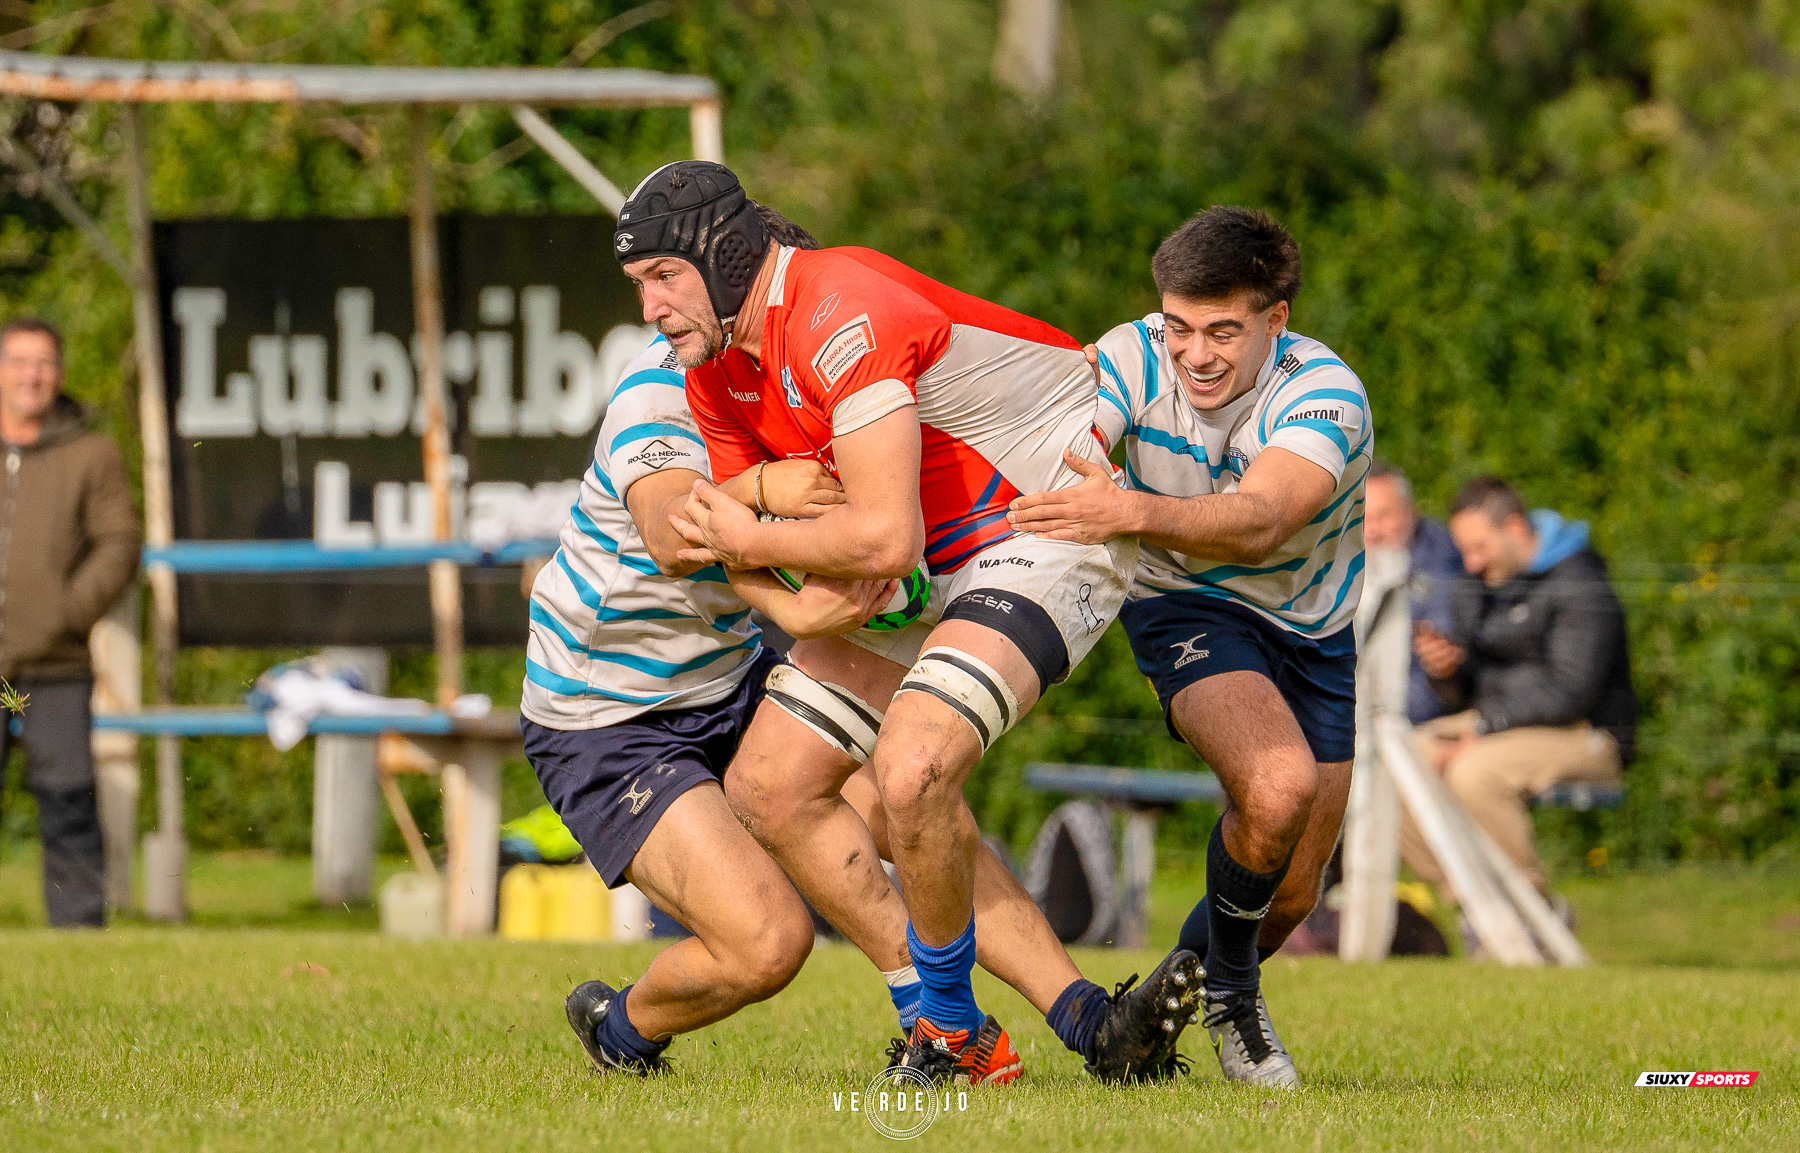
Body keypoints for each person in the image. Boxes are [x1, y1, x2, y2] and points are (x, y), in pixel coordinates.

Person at [628, 161, 1202, 1084]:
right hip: (930, 563)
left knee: (912, 769)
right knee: (771, 787)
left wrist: (760, 531)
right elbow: (725, 550)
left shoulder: (836, 307)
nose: (650, 308)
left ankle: (944, 1029)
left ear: (725, 255)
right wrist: (789, 594)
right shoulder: (717, 371)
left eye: (663, 277)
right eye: (638, 286)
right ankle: (1089, 1026)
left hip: (1039, 520)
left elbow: (873, 536)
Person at [1009, 206, 1371, 1089]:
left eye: (1221, 330)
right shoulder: (1134, 352)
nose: (1194, 354)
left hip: (1314, 625)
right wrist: (1081, 458)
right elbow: (1066, 440)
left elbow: (1262, 519)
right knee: (1277, 784)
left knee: (1290, 892)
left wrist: (1130, 507)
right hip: (1183, 603)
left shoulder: (1327, 394)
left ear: (1276, 320)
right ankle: (1235, 1007)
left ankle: (1140, 1026)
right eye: (1178, 326)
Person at [1401, 475, 1634, 900]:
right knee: (1394, 762)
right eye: (1464, 550)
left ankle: (1530, 905)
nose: (1469, 563)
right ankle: (1473, 900)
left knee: (1475, 773)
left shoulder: (1581, 582)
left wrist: (1484, 730)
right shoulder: (1478, 586)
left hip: (1588, 733)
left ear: (1515, 528)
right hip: (1496, 726)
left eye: (1479, 547)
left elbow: (1571, 692)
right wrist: (1447, 671)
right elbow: (1466, 693)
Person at [0, 317, 141, 927]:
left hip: (53, 666)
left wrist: (68, 610)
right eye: (19, 361)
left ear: (59, 373)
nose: (32, 375)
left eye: (44, 362)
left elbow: (120, 543)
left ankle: (78, 935)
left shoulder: (91, 453)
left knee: (67, 805)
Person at [1363, 460, 1464, 724]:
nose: (1373, 531)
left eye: (1383, 516)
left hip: (1416, 719)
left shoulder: (1445, 569)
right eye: (1363, 518)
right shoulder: (1339, 567)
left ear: (1411, 513)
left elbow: (1433, 680)